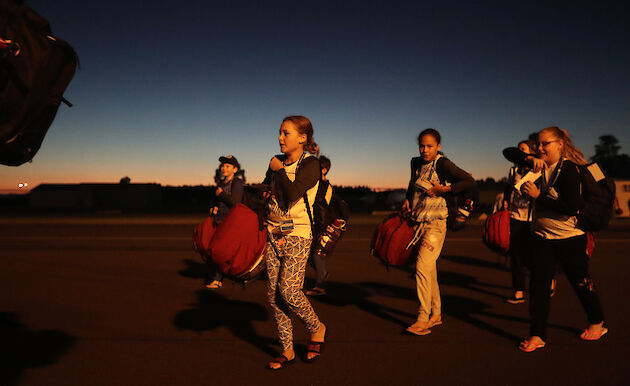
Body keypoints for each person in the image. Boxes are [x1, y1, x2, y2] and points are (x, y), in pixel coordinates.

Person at [519, 126, 606, 352]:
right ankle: (537, 335)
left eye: (545, 143)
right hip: (542, 237)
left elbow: (570, 207)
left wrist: (539, 197)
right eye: (538, 143)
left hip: (570, 237)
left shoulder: (569, 170)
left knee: (580, 282)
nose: (540, 147)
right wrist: (528, 157)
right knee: (538, 286)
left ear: (560, 144)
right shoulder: (537, 166)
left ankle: (597, 321)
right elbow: (508, 152)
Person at [262, 115, 326, 370]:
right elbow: (269, 191)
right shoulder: (276, 164)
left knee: (289, 291)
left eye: (286, 133)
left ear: (302, 138)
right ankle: (287, 350)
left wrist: (278, 171)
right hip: (273, 234)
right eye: (279, 132)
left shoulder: (310, 164)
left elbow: (292, 193)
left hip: (298, 234)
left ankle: (316, 327)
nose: (280, 137)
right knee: (274, 296)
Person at [403, 128, 476, 336]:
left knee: (422, 267)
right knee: (429, 270)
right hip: (418, 222)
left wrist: (444, 189)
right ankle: (436, 315)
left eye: (430, 146)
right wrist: (407, 201)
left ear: (438, 147)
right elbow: (411, 185)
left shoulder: (443, 163)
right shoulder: (415, 163)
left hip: (437, 223)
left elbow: (469, 182)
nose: (425, 150)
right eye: (422, 146)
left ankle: (422, 317)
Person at [304, 155, 350, 296]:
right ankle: (322, 273)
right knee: (309, 255)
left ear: (324, 170)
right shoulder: (316, 184)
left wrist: (325, 227)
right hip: (315, 225)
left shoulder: (326, 187)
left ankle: (320, 285)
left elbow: (325, 208)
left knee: (316, 255)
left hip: (323, 226)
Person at [205, 155, 244, 289]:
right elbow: (219, 201)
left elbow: (235, 202)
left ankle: (217, 279)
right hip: (220, 220)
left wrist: (221, 195)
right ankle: (231, 275)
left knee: (218, 250)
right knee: (221, 250)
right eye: (222, 166)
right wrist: (214, 207)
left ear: (235, 169)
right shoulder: (222, 183)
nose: (223, 168)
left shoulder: (237, 182)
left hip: (230, 222)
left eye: (227, 166)